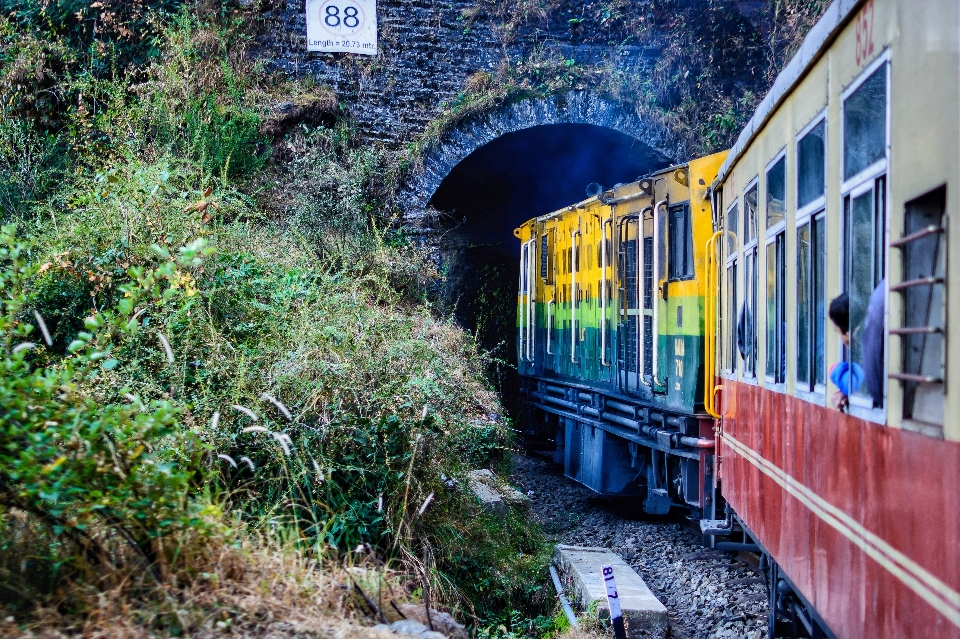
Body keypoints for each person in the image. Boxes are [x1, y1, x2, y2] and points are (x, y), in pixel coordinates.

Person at [828, 282, 885, 411]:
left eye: (838, 333)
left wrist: (835, 371)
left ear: (847, 332)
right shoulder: (871, 332)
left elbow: (860, 381)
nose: (842, 340)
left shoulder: (862, 343)